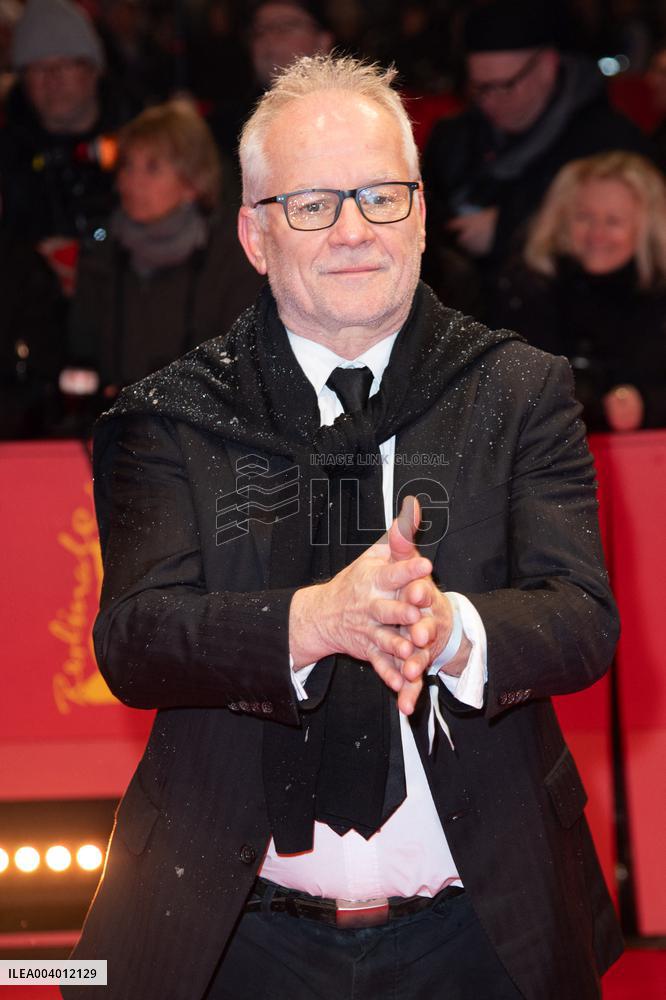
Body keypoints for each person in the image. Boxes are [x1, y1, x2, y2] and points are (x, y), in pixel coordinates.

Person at [63, 54, 622, 1000]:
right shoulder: (172, 414)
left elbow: (581, 617)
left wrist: (450, 631)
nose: (355, 230)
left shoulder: (520, 388)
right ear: (253, 234)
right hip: (231, 936)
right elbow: (137, 640)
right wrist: (317, 621)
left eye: (380, 195)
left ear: (422, 212)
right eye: (314, 204)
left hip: (485, 928)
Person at [422, 0, 653, 288]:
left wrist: (511, 229)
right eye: (480, 88)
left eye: (506, 85)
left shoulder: (608, 142)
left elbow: (634, 242)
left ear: (547, 66)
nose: (491, 101)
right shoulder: (453, 136)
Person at [65, 99, 263, 419]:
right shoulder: (102, 257)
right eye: (127, 165)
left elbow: (243, 374)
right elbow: (81, 359)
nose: (132, 181)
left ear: (192, 183)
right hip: (111, 431)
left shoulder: (231, 260)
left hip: (205, 436)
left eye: (152, 167)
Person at [492, 151, 666, 432]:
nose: (596, 234)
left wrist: (646, 406)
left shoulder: (658, 300)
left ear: (645, 229)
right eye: (584, 217)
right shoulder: (528, 292)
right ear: (561, 220)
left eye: (613, 221)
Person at [0, 0, 137, 294]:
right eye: (38, 68)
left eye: (66, 64)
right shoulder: (9, 155)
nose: (53, 80)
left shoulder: (139, 140)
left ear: (93, 70)